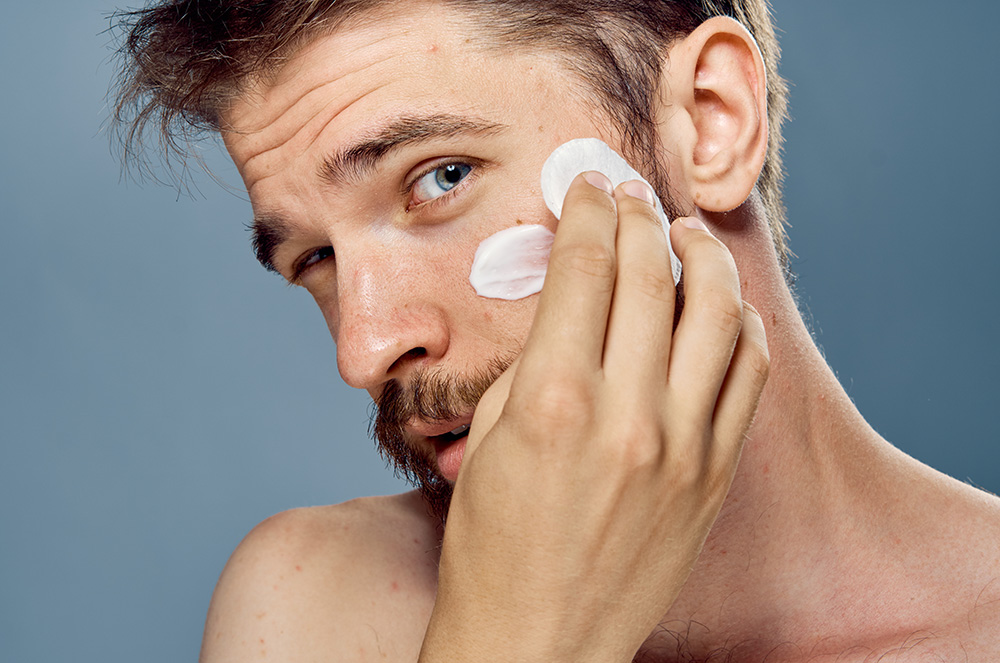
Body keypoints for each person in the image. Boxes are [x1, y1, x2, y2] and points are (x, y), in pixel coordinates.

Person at [111, 1, 1000, 660]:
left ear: (712, 122)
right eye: (315, 260)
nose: (366, 347)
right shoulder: (318, 608)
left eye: (440, 177)